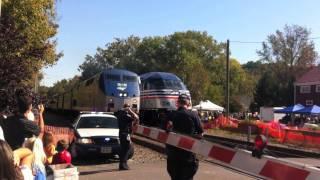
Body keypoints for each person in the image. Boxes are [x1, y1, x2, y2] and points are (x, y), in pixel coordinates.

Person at [166, 94, 204, 180]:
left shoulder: (171, 115)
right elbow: (200, 134)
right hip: (188, 155)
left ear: (177, 103)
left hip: (173, 154)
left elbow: (164, 132)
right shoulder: (194, 115)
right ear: (189, 103)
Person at [114, 104, 139, 170]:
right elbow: (136, 118)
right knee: (126, 149)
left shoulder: (119, 114)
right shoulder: (125, 115)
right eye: (129, 107)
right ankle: (123, 164)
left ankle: (122, 164)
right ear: (127, 108)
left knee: (124, 149)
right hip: (125, 134)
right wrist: (130, 111)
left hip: (122, 133)